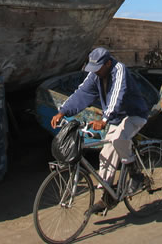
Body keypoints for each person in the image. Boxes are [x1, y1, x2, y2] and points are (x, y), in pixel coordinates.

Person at [50, 47, 149, 215]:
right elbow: (82, 93)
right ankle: (108, 195)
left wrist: (104, 119)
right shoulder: (95, 75)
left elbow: (117, 96)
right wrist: (63, 111)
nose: (95, 72)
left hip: (134, 114)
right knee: (105, 154)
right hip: (116, 118)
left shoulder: (119, 70)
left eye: (98, 69)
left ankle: (136, 176)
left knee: (118, 139)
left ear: (108, 63)